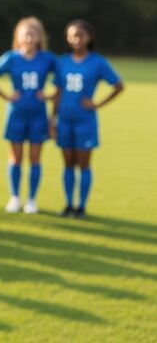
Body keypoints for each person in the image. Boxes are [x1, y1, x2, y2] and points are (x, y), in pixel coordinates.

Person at [52, 19, 124, 218]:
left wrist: (97, 104)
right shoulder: (62, 62)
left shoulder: (97, 62)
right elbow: (57, 92)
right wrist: (52, 120)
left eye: (80, 35)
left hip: (85, 120)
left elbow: (118, 85)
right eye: (72, 35)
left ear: (89, 37)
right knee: (67, 164)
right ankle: (68, 205)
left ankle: (81, 206)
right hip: (65, 120)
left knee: (83, 164)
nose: (76, 39)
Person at [0, 17, 57, 214]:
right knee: (15, 158)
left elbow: (63, 80)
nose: (29, 38)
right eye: (25, 34)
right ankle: (15, 197)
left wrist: (49, 94)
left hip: (38, 115)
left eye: (33, 34)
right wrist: (6, 95)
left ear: (40, 37)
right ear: (18, 37)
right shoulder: (11, 58)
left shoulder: (48, 59)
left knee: (35, 159)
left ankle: (32, 199)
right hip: (16, 115)